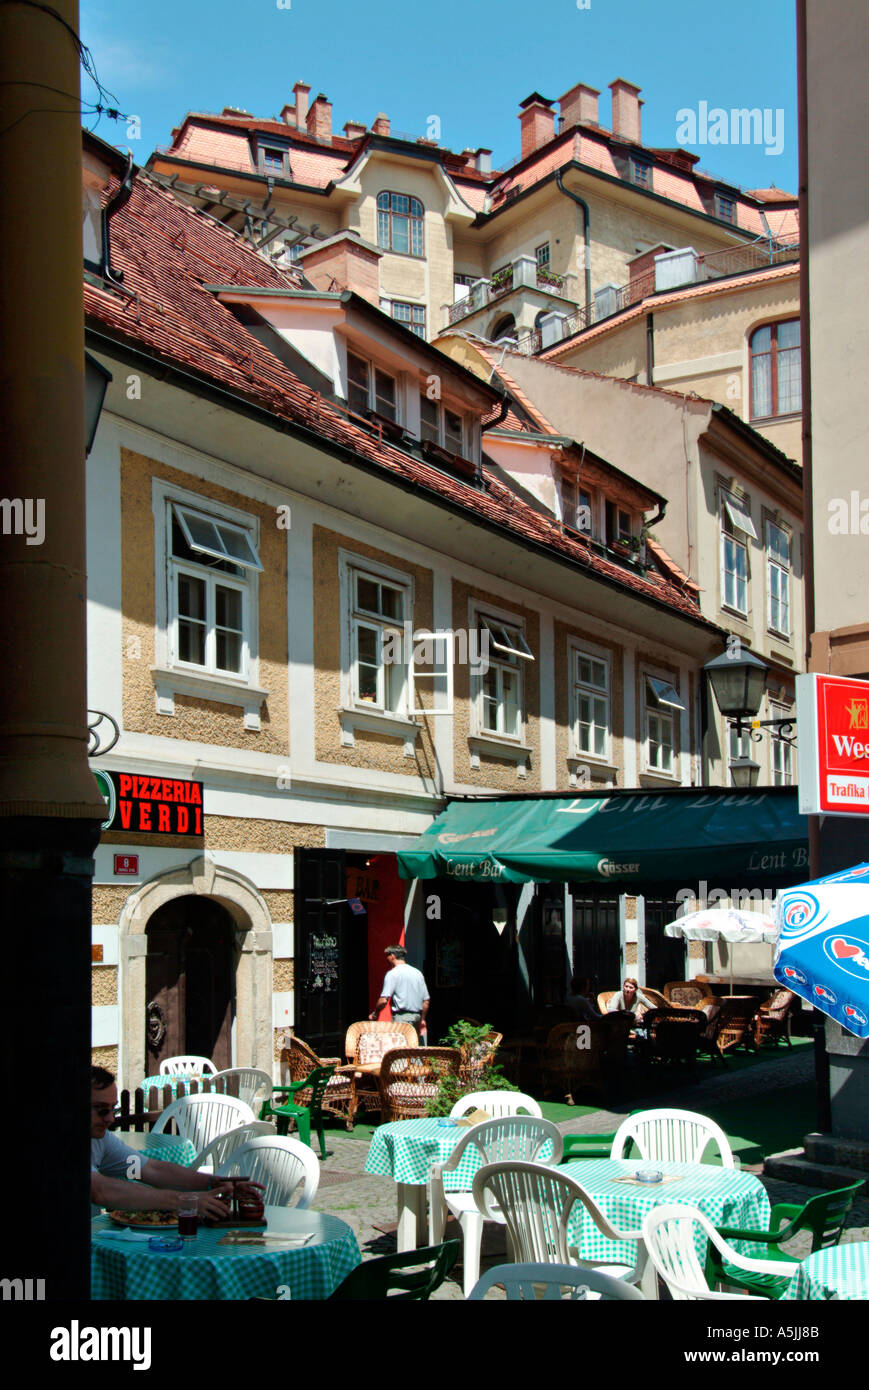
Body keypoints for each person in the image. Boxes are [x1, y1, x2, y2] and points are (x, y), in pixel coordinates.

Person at [90, 1066, 259, 1215]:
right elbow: (101, 1191)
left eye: (114, 1109)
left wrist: (214, 1184)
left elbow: (150, 1169)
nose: (111, 1119)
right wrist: (184, 1201)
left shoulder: (99, 1140)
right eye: (102, 1110)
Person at [370, 945, 430, 1039]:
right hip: (417, 1017)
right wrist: (422, 1019)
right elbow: (426, 1000)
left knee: (401, 1050)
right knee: (415, 1050)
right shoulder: (417, 973)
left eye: (387, 956)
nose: (387, 959)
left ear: (392, 956)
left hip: (402, 1018)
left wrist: (375, 1013)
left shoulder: (393, 974)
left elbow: (383, 1000)